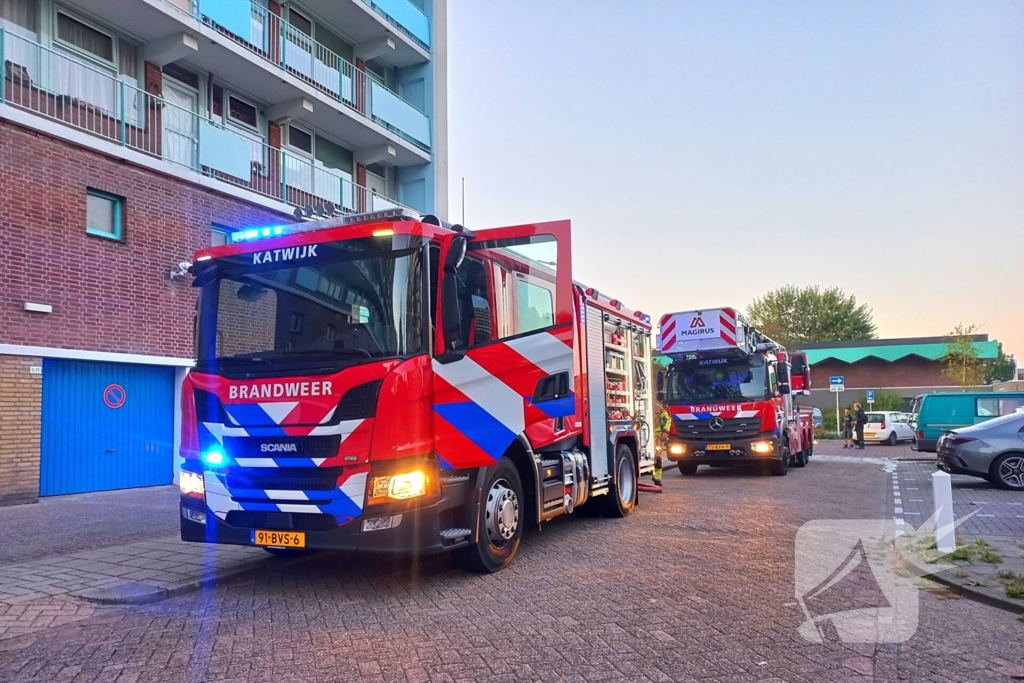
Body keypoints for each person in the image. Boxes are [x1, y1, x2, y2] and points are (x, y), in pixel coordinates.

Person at [653, 405, 671, 487]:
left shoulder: (658, 407)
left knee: (658, 458)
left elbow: (667, 419)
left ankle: (657, 479)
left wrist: (665, 431)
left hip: (656, 437)